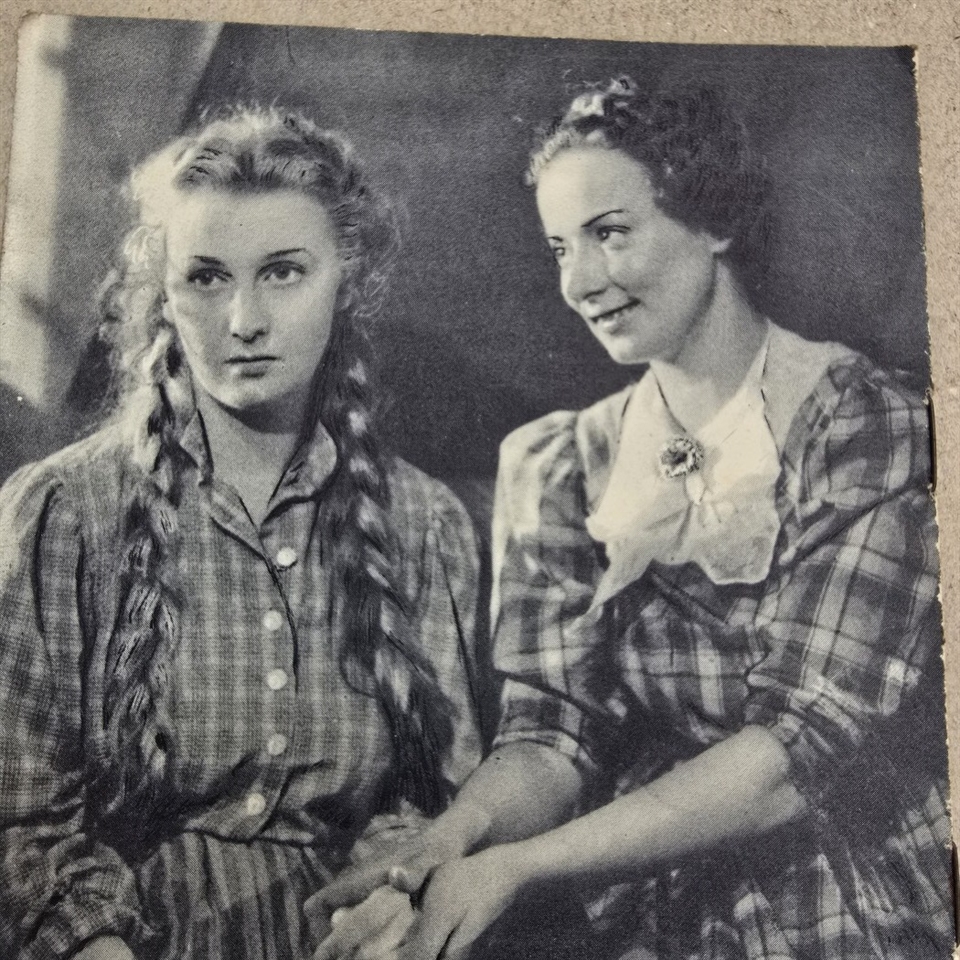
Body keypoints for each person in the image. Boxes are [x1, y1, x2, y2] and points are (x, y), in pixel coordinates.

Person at [313, 79, 953, 960]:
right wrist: (451, 839)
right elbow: (553, 733)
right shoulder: (560, 463)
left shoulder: (873, 428)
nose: (580, 282)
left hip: (841, 888)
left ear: (713, 221)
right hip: (649, 893)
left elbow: (791, 760)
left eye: (610, 233)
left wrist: (518, 867)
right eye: (559, 248)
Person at [0, 106, 483, 960]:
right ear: (164, 295)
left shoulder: (422, 522)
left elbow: (440, 806)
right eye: (207, 278)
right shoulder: (66, 512)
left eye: (283, 273)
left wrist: (392, 901)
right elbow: (20, 824)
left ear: (347, 280)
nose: (244, 320)